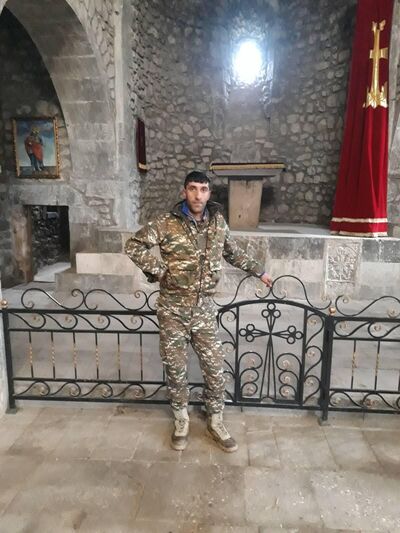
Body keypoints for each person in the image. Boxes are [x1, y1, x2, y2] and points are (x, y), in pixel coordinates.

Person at [125, 171, 272, 453]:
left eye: (203, 189)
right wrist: (159, 271)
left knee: (215, 367)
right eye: (192, 189)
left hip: (203, 309)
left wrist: (260, 271)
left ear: (209, 193)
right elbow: (134, 245)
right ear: (184, 192)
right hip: (172, 309)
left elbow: (232, 252)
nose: (197, 195)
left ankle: (215, 420)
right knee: (176, 368)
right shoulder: (166, 223)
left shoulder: (217, 223)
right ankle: (181, 419)